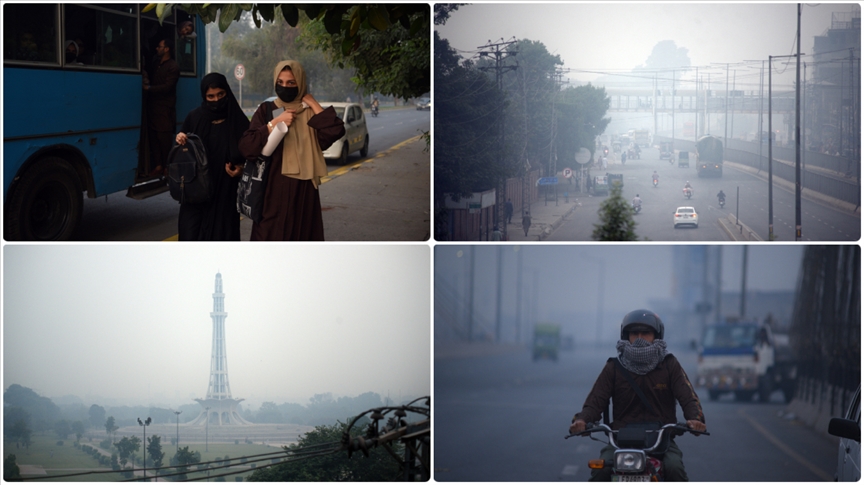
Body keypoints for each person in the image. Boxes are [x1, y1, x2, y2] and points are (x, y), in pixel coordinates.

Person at [569, 310, 706, 481]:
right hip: (620, 441)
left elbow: (688, 397)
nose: (640, 338)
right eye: (634, 333)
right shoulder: (614, 367)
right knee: (600, 471)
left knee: (674, 467)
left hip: (661, 441)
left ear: (656, 336)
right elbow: (595, 400)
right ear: (626, 336)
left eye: (646, 333)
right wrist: (582, 420)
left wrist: (696, 419)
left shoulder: (669, 364)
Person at [239, 60, 346, 241]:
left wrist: (313, 103)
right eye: (280, 82)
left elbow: (335, 131)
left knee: (301, 239)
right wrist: (274, 124)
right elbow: (247, 147)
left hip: (302, 191)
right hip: (271, 191)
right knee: (268, 240)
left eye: (291, 83)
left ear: (301, 84)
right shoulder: (267, 109)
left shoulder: (310, 114)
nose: (284, 87)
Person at [174, 73, 250, 241]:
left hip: (224, 192)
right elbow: (181, 153)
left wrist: (241, 170)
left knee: (222, 238)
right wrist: (180, 139)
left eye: (220, 95)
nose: (216, 100)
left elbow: (250, 154)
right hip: (195, 193)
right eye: (211, 96)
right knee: (191, 237)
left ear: (227, 93)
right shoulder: (194, 118)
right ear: (204, 96)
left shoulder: (238, 121)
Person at [143, 37, 179, 177]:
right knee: (153, 137)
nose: (157, 48)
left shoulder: (173, 67)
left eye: (160, 46)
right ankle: (158, 166)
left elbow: (168, 87)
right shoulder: (157, 64)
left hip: (165, 109)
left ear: (167, 49)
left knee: (164, 139)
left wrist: (149, 88)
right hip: (153, 107)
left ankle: (166, 166)